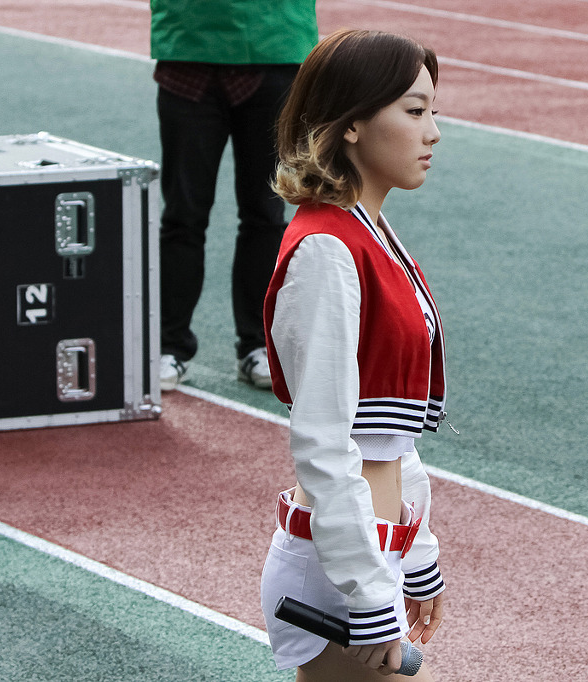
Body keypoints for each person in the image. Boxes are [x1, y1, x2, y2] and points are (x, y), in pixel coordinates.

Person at [259, 29, 448, 681]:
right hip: (340, 568)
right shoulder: (327, 249)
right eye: (414, 111)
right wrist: (368, 592)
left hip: (367, 552)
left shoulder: (370, 233)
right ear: (352, 125)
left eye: (432, 111)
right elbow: (324, 441)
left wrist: (416, 551)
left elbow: (387, 434)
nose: (433, 132)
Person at [150, 0, 318, 390]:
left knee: (266, 212)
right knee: (182, 215)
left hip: (273, 43)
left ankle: (258, 345)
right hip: (190, 44)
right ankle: (168, 346)